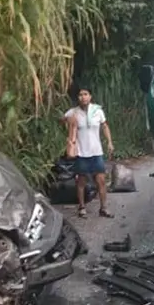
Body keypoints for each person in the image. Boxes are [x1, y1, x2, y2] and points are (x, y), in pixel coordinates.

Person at [62, 86, 115, 218]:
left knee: (101, 181)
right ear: (78, 98)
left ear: (90, 97)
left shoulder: (97, 111)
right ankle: (82, 207)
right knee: (81, 182)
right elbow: (62, 120)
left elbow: (105, 126)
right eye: (80, 95)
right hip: (81, 153)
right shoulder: (73, 112)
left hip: (96, 152)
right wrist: (69, 125)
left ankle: (103, 208)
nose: (83, 97)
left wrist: (109, 142)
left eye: (86, 94)